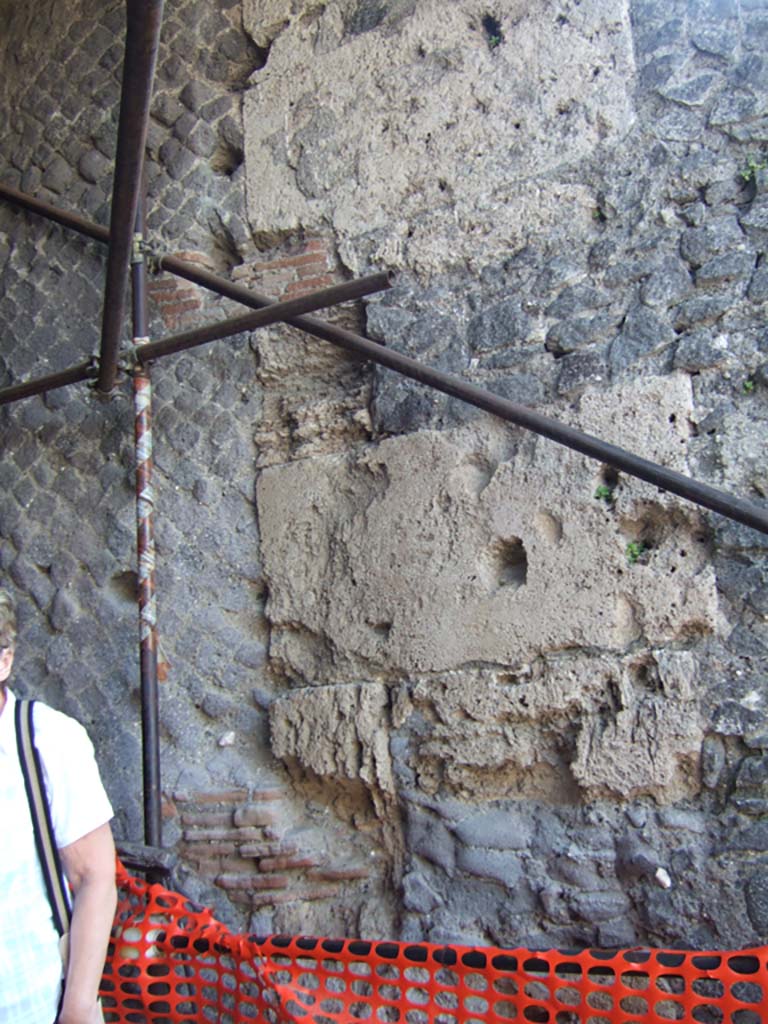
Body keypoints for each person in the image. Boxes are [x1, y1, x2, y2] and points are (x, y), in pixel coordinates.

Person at [0, 588, 117, 1024]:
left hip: (29, 1002)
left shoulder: (46, 741)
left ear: (4, 661)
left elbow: (94, 877)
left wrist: (78, 1008)